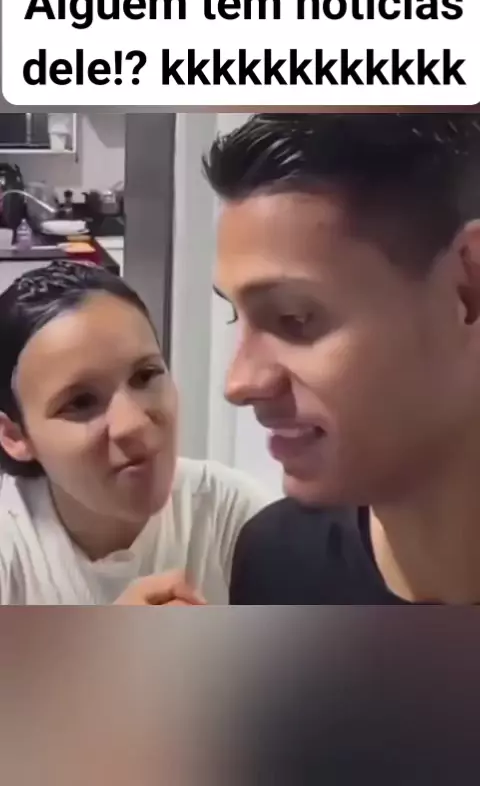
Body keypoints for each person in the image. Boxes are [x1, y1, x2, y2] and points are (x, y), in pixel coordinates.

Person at [204, 111, 480, 605]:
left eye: (294, 317)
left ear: (468, 288)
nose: (239, 382)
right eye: (235, 317)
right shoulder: (278, 562)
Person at [0, 260, 270, 604]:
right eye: (80, 402)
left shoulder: (232, 517)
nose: (134, 424)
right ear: (15, 436)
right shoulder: (10, 549)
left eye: (146, 375)